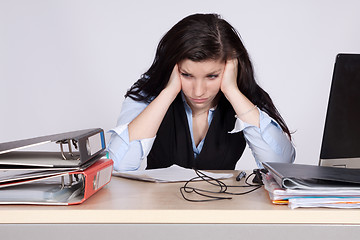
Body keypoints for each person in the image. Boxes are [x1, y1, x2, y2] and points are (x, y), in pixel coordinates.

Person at [108, 13, 295, 171]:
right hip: (160, 211)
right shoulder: (150, 91)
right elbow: (117, 164)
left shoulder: (243, 97)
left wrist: (232, 91)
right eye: (187, 75)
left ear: (230, 69)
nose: (198, 91)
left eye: (212, 76)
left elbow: (280, 166)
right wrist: (168, 92)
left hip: (221, 210)